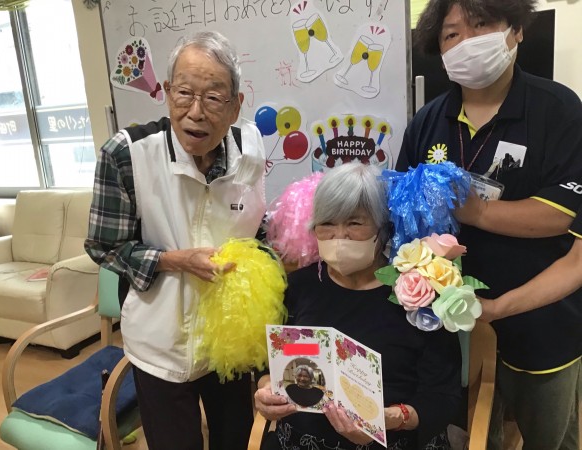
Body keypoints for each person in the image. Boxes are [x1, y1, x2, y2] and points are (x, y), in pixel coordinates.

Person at [396, 1, 582, 449]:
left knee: (550, 437)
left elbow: (561, 215)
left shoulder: (558, 110)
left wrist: (475, 212)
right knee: (471, 434)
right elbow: (404, 215)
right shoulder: (427, 122)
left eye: (481, 26)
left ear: (516, 29)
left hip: (542, 323)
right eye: (451, 34)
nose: (467, 43)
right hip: (449, 328)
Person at [85, 31, 266, 450]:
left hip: (229, 340)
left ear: (236, 105)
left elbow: (254, 227)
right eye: (184, 93)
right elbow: (103, 246)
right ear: (167, 92)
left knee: (234, 439)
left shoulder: (250, 152)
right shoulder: (127, 154)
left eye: (214, 98)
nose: (195, 112)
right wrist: (174, 260)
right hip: (160, 344)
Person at [254, 162, 462, 450]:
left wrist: (388, 420)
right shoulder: (297, 287)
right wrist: (266, 390)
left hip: (394, 440)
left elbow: (443, 398)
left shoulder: (418, 295)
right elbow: (268, 366)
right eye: (327, 223)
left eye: (354, 223)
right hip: (301, 440)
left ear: (384, 228)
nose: (340, 236)